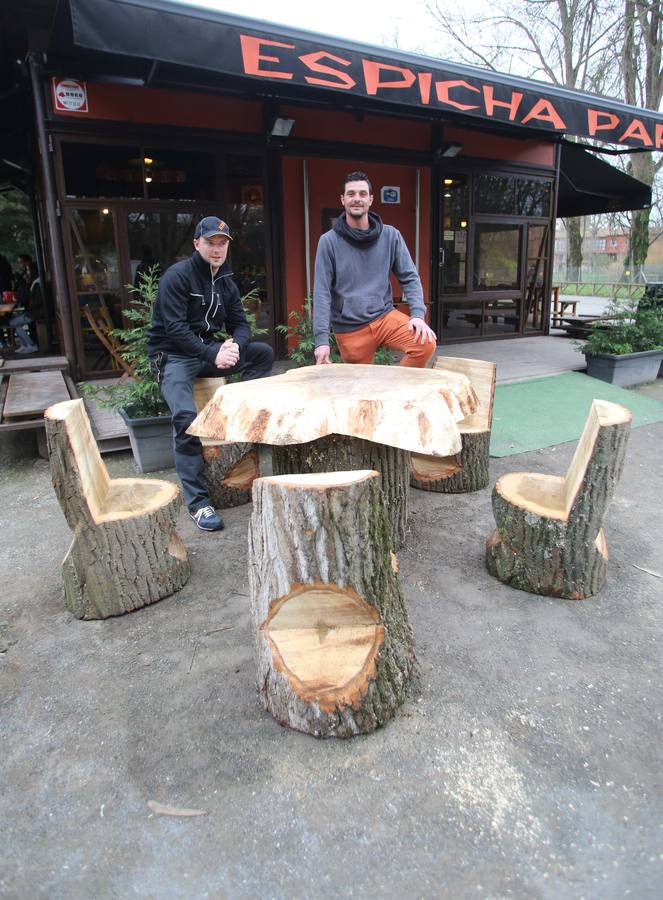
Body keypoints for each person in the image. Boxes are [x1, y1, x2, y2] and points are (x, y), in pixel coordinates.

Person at [147, 216, 273, 532]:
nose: (217, 249)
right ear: (197, 244)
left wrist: (233, 346)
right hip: (174, 357)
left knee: (262, 354)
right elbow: (174, 330)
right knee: (186, 417)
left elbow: (241, 325)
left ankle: (237, 410)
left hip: (208, 354)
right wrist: (213, 352)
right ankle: (198, 503)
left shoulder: (225, 282)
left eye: (222, 244)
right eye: (210, 243)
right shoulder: (177, 277)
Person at [313, 171, 436, 366]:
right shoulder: (328, 242)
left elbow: (410, 278)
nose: (357, 199)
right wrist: (321, 341)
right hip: (350, 327)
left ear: (370, 200)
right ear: (343, 199)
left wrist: (418, 316)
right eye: (351, 194)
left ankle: (393, 394)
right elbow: (321, 293)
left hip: (384, 316)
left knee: (425, 343)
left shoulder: (391, 236)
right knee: (360, 388)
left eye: (362, 194)